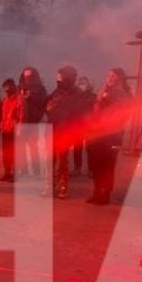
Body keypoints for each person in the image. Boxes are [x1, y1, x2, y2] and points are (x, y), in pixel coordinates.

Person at [85, 68, 133, 205]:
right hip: (98, 133)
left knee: (107, 165)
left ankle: (105, 194)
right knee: (96, 164)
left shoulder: (123, 94)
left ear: (119, 78)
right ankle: (97, 191)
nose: (109, 78)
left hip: (112, 135)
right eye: (108, 75)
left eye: (113, 75)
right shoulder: (103, 90)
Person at [44, 64, 86, 199]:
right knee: (50, 159)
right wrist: (48, 108)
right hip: (52, 128)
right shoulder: (57, 91)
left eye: (60, 76)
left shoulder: (77, 94)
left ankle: (63, 186)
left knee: (62, 160)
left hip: (65, 131)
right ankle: (49, 185)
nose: (58, 79)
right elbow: (47, 105)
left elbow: (78, 114)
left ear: (68, 77)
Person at [18, 66, 48, 178]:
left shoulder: (40, 89)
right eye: (25, 76)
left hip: (33, 121)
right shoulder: (20, 87)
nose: (27, 78)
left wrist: (31, 97)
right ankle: (24, 170)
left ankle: (36, 170)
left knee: (33, 147)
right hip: (21, 121)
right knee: (21, 147)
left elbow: (43, 102)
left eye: (29, 76)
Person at [0, 78, 23, 182]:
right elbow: (2, 114)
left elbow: (22, 114)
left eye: (7, 87)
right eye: (5, 88)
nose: (6, 89)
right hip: (6, 129)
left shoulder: (19, 99)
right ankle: (7, 172)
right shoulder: (5, 100)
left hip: (14, 129)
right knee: (6, 151)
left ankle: (15, 173)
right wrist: (1, 124)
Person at [71, 75, 95, 176]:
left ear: (89, 84)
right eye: (81, 83)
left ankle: (91, 169)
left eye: (84, 83)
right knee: (77, 148)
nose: (82, 85)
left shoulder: (93, 97)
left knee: (91, 149)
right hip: (78, 126)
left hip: (89, 126)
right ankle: (77, 168)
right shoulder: (74, 97)